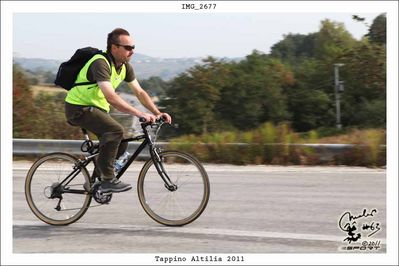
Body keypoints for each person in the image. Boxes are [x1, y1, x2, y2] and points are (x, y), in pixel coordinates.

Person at [64, 28, 172, 193]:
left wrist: (157, 113)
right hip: (79, 108)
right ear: (114, 48)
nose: (132, 51)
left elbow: (140, 92)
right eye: (128, 48)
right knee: (115, 131)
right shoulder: (100, 63)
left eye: (133, 47)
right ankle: (108, 180)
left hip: (96, 109)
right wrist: (140, 113)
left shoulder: (125, 67)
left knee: (121, 142)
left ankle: (95, 182)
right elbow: (111, 97)